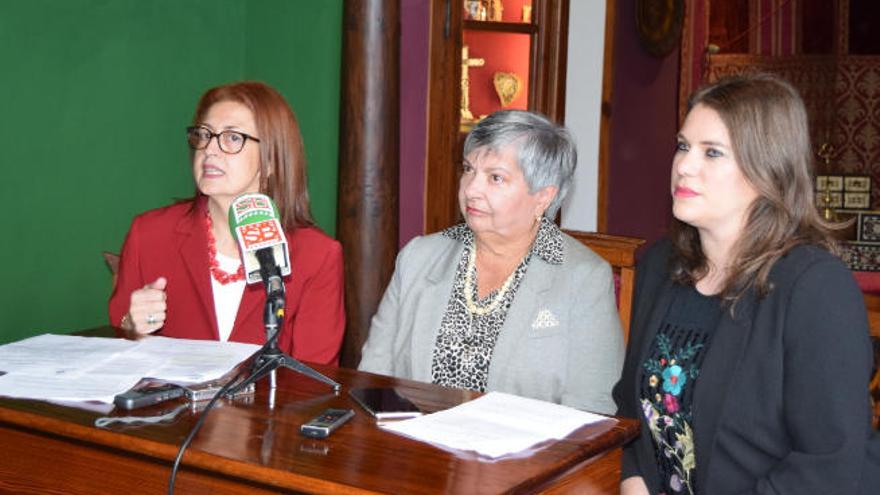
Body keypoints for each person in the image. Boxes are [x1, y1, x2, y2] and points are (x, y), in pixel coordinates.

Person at [614, 73, 879, 494]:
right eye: (683, 146)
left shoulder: (815, 289)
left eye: (712, 152)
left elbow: (828, 466)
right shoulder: (660, 265)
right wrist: (634, 480)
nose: (684, 165)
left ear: (766, 170)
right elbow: (629, 408)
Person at [359, 110, 624, 414]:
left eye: (495, 177)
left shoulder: (584, 278)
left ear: (543, 197)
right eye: (469, 170)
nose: (471, 189)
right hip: (413, 453)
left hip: (528, 459)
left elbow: (593, 412)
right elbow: (373, 382)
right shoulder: (419, 257)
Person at [108, 81, 344, 365]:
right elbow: (115, 354)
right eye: (204, 135)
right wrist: (132, 327)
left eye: (232, 138)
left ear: (271, 160)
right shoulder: (149, 235)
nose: (210, 149)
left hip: (267, 410)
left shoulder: (317, 255)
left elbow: (314, 381)